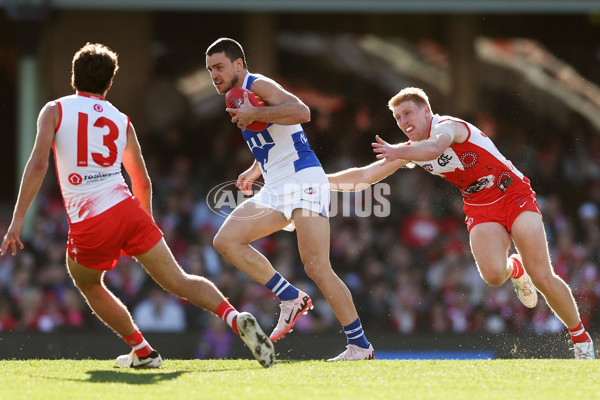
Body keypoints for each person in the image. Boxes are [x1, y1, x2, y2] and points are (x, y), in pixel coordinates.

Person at [0, 43, 275, 368]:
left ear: (73, 77)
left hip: (91, 219)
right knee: (179, 280)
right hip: (128, 208)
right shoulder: (121, 120)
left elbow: (37, 165)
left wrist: (18, 218)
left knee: (87, 282)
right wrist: (143, 227)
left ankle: (143, 351)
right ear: (110, 83)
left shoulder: (55, 109)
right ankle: (233, 315)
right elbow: (141, 181)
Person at [327, 87, 595, 359]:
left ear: (427, 112)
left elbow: (434, 147)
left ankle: (581, 340)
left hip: (513, 194)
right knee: (492, 276)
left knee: (541, 275)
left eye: (408, 113)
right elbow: (365, 175)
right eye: (397, 117)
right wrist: (320, 183)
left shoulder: (447, 127)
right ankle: (515, 269)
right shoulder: (409, 150)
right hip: (480, 207)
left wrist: (397, 151)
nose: (403, 121)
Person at [205, 37, 374, 361]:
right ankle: (290, 298)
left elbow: (302, 112)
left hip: (303, 177)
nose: (214, 73)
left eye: (219, 67)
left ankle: (360, 346)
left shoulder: (258, 84)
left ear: (238, 64)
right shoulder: (235, 96)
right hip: (275, 183)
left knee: (317, 267)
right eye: (210, 68)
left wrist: (255, 109)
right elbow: (274, 133)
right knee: (226, 241)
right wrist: (256, 167)